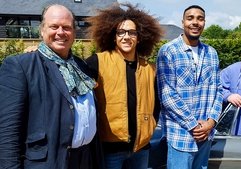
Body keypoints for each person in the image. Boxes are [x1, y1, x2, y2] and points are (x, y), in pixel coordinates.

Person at [0, 4, 102, 169]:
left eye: (67, 27)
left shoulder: (81, 66)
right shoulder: (21, 66)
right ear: (42, 30)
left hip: (85, 159)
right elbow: (7, 132)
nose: (61, 32)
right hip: (49, 162)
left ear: (74, 33)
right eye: (54, 26)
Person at [84, 3, 163, 169]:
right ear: (114, 36)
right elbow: (69, 73)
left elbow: (156, 104)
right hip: (110, 150)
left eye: (132, 32)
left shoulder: (150, 69)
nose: (126, 37)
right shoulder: (98, 61)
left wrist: (150, 125)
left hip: (141, 148)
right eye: (121, 32)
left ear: (139, 37)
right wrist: (40, 54)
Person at [156, 5, 223, 169]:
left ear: (204, 23)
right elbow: (167, 95)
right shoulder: (168, 51)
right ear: (183, 22)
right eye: (190, 18)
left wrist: (210, 122)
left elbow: (218, 91)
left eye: (200, 19)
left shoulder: (211, 53)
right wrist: (194, 125)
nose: (195, 22)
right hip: (181, 135)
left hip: (206, 136)